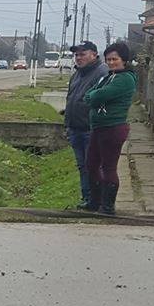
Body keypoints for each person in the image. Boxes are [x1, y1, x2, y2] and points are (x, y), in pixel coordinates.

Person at [81, 41, 138, 215]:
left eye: (115, 59)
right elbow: (89, 94)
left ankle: (107, 206)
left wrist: (93, 96)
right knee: (91, 164)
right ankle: (94, 201)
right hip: (98, 127)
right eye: (108, 59)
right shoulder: (108, 76)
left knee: (108, 167)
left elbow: (98, 95)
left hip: (113, 128)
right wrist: (93, 96)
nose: (111, 62)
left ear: (124, 60)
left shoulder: (125, 79)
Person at [63, 41, 107, 210]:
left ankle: (97, 201)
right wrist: (67, 124)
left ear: (94, 55)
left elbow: (101, 99)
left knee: (94, 166)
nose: (78, 58)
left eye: (83, 54)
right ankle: (87, 198)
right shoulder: (77, 74)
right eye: (77, 55)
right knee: (83, 166)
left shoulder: (101, 72)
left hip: (91, 129)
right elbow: (71, 99)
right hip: (76, 128)